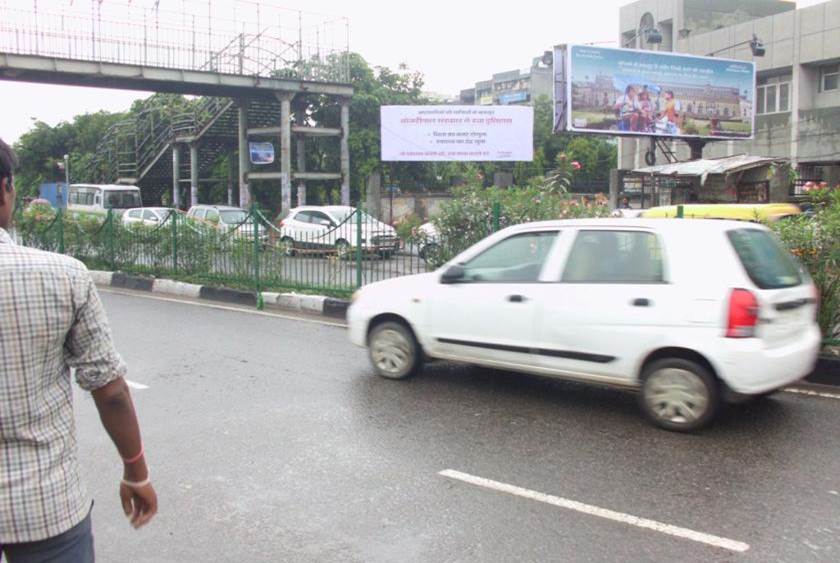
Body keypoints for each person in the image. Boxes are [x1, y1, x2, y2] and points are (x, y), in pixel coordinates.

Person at [0, 138, 157, 562]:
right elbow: (111, 391)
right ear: (5, 190)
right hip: (45, 510)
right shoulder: (62, 276)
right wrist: (136, 472)